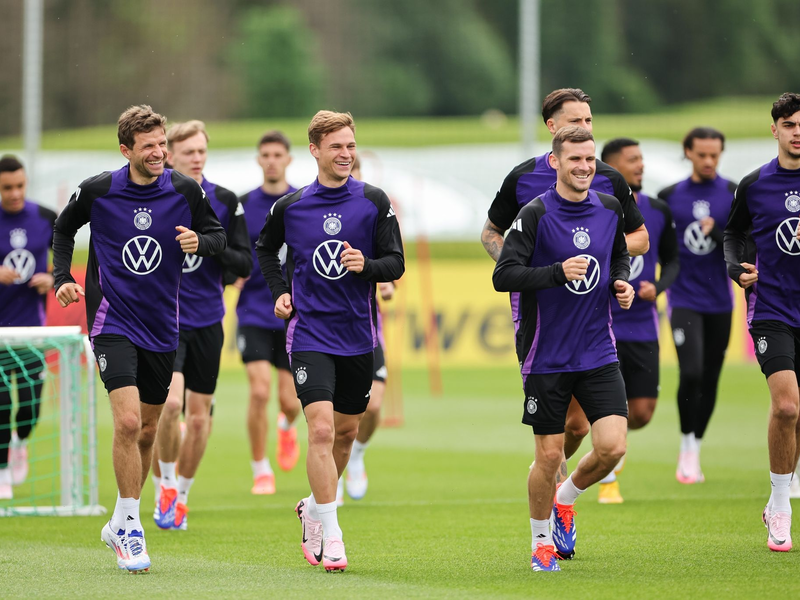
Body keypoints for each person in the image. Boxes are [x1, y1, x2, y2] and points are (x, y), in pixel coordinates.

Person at [52, 105, 226, 572]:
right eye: (148, 145)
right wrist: (60, 275)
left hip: (162, 327)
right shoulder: (99, 190)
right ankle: (130, 526)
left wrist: (199, 242)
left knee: (149, 429)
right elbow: (64, 228)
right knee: (129, 424)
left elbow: (217, 236)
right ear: (126, 149)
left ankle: (119, 518)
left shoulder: (185, 190)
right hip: (112, 322)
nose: (158, 152)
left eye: (161, 143)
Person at [481, 88, 648, 508]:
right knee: (559, 431)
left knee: (580, 428)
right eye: (577, 123)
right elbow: (491, 234)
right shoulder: (522, 180)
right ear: (552, 129)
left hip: (591, 311)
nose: (586, 130)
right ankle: (551, 516)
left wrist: (606, 265)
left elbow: (638, 238)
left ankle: (560, 495)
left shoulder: (607, 181)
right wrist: (533, 269)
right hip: (540, 316)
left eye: (590, 122)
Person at [257, 110, 404, 572]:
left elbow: (395, 263)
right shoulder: (291, 207)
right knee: (320, 430)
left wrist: (368, 266)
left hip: (359, 336)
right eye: (336, 146)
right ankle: (333, 535)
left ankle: (313, 507)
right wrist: (281, 292)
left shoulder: (375, 202)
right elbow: (265, 249)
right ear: (315, 151)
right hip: (310, 335)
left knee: (345, 433)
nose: (345, 154)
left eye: (350, 145)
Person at [492, 126, 633, 571]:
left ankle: (564, 498)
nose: (584, 166)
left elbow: (618, 256)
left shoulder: (610, 207)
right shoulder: (534, 214)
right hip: (545, 353)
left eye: (590, 159)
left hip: (597, 350)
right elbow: (504, 276)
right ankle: (540, 544)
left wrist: (619, 282)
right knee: (548, 455)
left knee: (611, 447)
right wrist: (556, 272)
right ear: (555, 162)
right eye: (575, 159)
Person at [151, 120, 251, 531]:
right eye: (187, 151)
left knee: (199, 418)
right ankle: (167, 486)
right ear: (170, 155)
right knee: (169, 405)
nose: (196, 158)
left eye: (201, 151)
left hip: (209, 320)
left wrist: (209, 243)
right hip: (164, 322)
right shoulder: (155, 196)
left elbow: (244, 262)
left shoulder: (225, 201)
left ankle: (183, 494)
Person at [724, 92, 800, 552]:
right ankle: (780, 504)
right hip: (771, 309)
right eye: (789, 124)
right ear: (774, 130)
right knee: (787, 406)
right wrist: (737, 270)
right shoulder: (754, 185)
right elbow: (733, 233)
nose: (798, 132)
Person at [598, 138, 680, 503]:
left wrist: (658, 287)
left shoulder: (658, 210)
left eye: (641, 159)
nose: (641, 165)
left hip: (644, 323)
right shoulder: (598, 209)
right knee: (602, 407)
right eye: (632, 160)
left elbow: (673, 260)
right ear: (613, 168)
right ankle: (607, 464)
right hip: (603, 325)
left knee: (643, 412)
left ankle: (610, 434)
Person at [658, 127, 736, 485]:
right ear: (687, 152)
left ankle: (696, 447)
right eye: (701, 154)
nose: (708, 161)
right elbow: (656, 245)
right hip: (683, 298)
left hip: (720, 300)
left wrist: (718, 232)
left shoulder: (735, 193)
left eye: (714, 155)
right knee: (690, 372)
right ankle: (686, 445)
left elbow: (745, 246)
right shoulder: (669, 196)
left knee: (710, 376)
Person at [236, 130, 302, 494]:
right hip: (253, 313)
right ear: (259, 160)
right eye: (266, 154)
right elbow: (232, 250)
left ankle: (287, 426)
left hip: (292, 313)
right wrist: (233, 274)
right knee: (259, 392)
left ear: (289, 159)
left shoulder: (301, 201)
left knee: (290, 401)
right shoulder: (244, 205)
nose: (272, 160)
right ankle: (261, 467)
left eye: (278, 154)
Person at [336, 155, 397, 505]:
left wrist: (386, 283)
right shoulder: (316, 215)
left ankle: (357, 454)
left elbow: (391, 264)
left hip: (366, 330)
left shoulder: (373, 214)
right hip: (325, 331)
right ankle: (334, 478)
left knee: (372, 408)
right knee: (332, 415)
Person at [0, 155, 56, 499]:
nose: (15, 193)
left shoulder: (45, 218)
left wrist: (53, 278)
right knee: (2, 404)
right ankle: (3, 470)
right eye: (7, 188)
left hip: (33, 328)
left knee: (32, 406)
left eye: (20, 186)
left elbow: (63, 256)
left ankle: (20, 442)